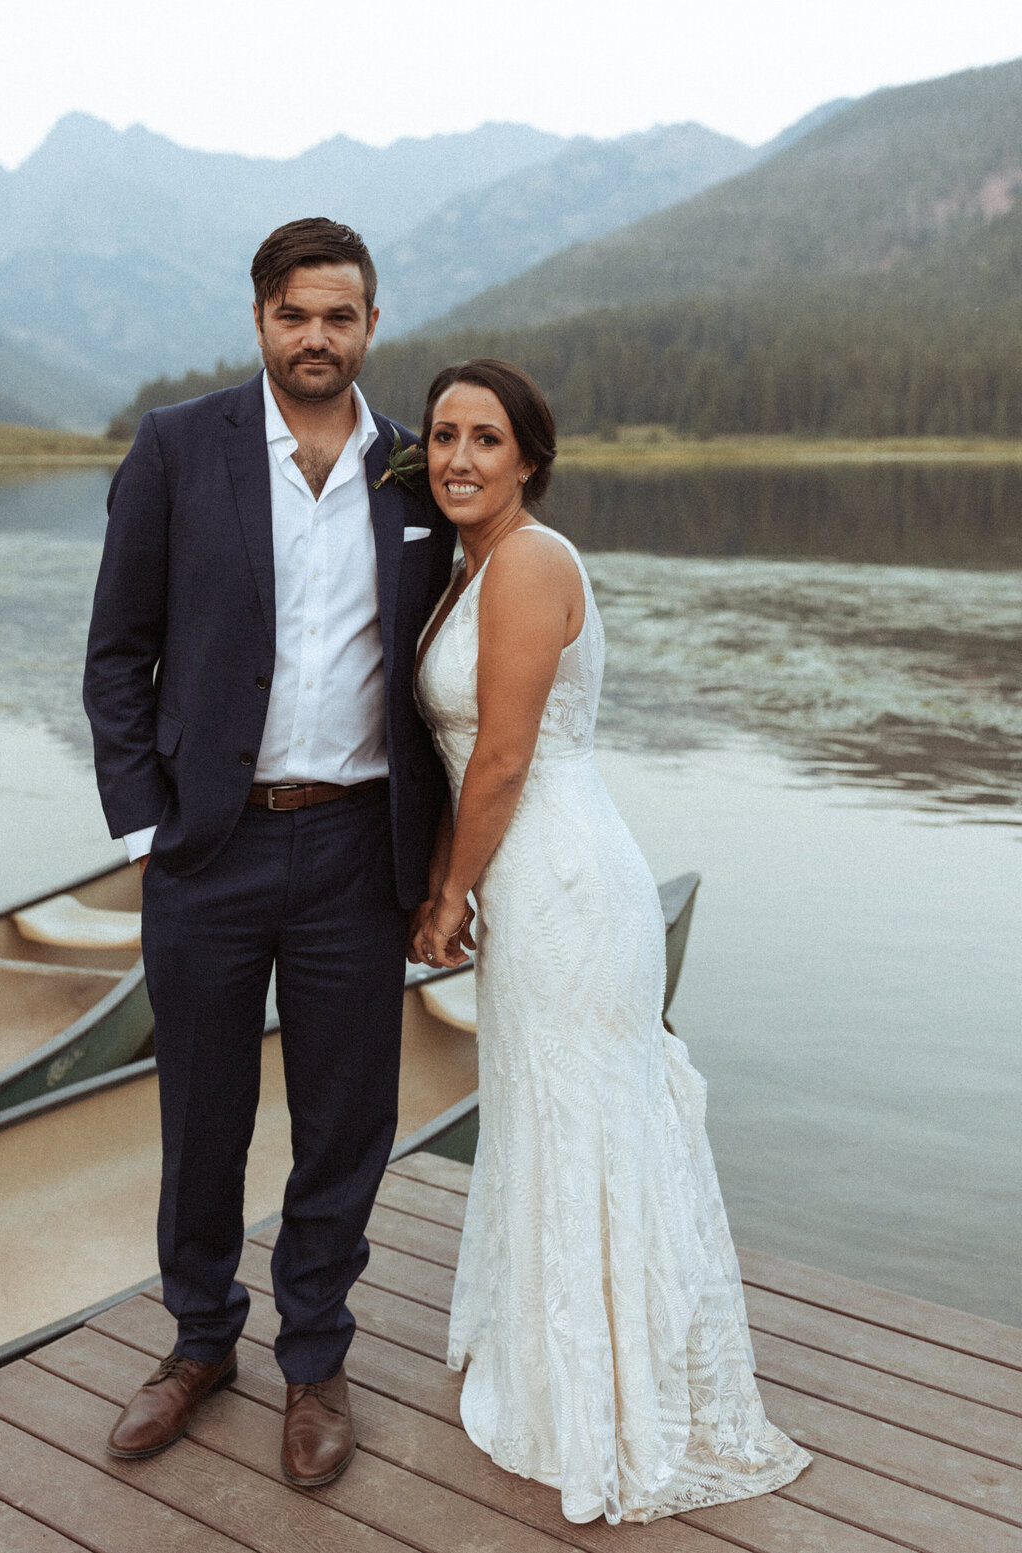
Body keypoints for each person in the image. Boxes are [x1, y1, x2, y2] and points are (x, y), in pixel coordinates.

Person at [83, 218, 455, 1485]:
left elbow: (445, 677)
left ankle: (315, 1357)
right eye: (295, 315)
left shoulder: (414, 471)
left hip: (359, 846)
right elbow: (115, 655)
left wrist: (448, 866)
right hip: (208, 845)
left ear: (369, 324)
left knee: (348, 1116)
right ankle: (197, 1341)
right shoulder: (180, 448)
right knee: (203, 1109)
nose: (316, 338)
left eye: (339, 317)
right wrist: (146, 825)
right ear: (260, 319)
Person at [412, 359, 811, 1524]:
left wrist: (447, 894)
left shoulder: (531, 562)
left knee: (584, 1112)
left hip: (568, 883)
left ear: (529, 458)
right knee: (544, 1109)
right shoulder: (471, 563)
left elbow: (501, 756)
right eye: (443, 435)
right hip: (533, 876)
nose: (460, 458)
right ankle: (553, 1352)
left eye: (488, 439)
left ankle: (611, 1395)